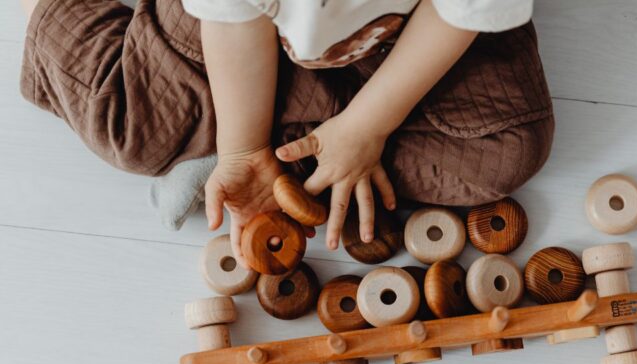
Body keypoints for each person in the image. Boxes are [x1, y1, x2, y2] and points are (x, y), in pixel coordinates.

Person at [19, 0, 554, 267]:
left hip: (405, 35)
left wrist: (368, 125)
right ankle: (301, 143)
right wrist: (242, 147)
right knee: (130, 132)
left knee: (508, 153)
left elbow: (462, 11)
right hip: (241, 28)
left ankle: (319, 140)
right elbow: (231, 20)